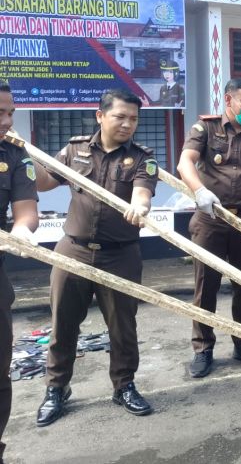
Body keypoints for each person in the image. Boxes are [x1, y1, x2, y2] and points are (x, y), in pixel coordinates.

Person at [33, 89, 158, 426]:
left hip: (121, 256)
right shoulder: (75, 150)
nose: (128, 124)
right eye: (120, 116)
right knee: (62, 325)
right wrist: (25, 159)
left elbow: (143, 192)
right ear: (100, 116)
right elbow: (44, 183)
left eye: (133, 118)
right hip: (72, 250)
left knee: (122, 327)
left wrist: (140, 206)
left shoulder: (144, 158)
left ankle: (124, 386)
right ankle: (57, 388)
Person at [178, 78, 241, 378]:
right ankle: (203, 348)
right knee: (205, 286)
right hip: (211, 218)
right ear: (228, 100)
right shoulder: (205, 129)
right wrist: (199, 191)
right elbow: (186, 163)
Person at [0, 83, 39, 456]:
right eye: (0, 113)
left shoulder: (13, 154)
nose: (8, 121)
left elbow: (25, 209)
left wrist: (21, 231)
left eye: (10, 112)